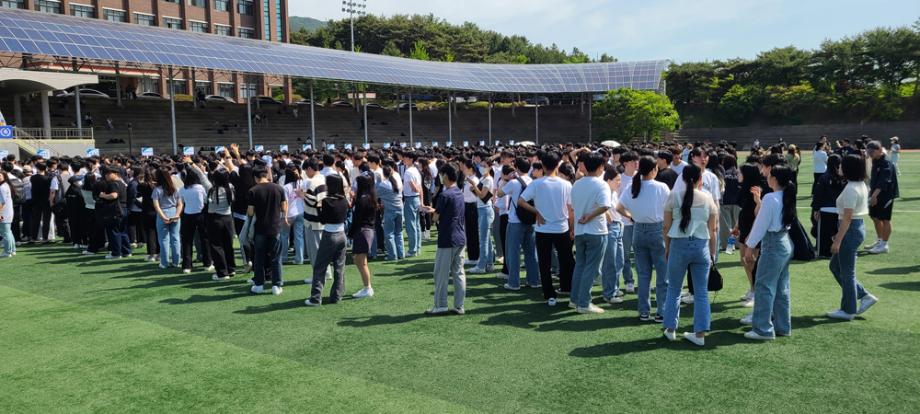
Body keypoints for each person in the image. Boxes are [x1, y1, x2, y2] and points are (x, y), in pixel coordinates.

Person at [661, 165, 718, 346]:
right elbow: (713, 229)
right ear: (700, 179)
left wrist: (667, 248)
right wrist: (713, 252)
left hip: (679, 245)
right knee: (701, 293)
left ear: (683, 179)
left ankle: (670, 329)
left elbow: (666, 227)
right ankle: (700, 334)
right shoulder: (708, 198)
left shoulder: (674, 196)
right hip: (701, 247)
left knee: (674, 289)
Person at [742, 166, 796, 341]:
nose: (767, 177)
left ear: (774, 179)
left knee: (764, 286)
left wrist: (749, 247)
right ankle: (782, 326)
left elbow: (760, 225)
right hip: (784, 242)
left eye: (770, 175)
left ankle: (762, 329)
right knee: (781, 288)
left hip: (773, 244)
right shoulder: (785, 195)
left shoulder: (771, 198)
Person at [617, 156, 671, 321]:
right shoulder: (661, 187)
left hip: (638, 230)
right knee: (663, 275)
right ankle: (661, 311)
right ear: (654, 169)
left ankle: (644, 311)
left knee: (643, 274)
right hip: (657, 231)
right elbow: (670, 210)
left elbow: (619, 207)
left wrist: (632, 216)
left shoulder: (633, 186)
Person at [519, 151, 575, 307]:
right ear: (557, 165)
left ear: (543, 166)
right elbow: (571, 210)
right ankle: (567, 287)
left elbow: (521, 201)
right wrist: (572, 228)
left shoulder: (536, 183)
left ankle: (549, 293)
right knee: (566, 260)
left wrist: (536, 211)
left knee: (545, 263)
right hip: (561, 228)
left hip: (543, 229)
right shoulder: (566, 184)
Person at [827, 155, 879, 320]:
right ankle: (862, 296)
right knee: (836, 267)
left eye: (841, 165)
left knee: (847, 273)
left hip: (851, 230)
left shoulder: (851, 188)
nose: (839, 167)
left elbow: (847, 217)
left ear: (848, 168)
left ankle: (849, 310)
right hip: (854, 228)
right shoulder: (859, 184)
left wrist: (838, 240)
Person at [421, 163, 466, 315]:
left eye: (441, 174)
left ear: (445, 175)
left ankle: (441, 305)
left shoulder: (445, 195)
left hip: (447, 238)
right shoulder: (459, 192)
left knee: (441, 274)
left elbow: (435, 218)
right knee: (458, 273)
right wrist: (434, 211)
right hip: (460, 237)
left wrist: (431, 212)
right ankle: (459, 305)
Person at [569, 152, 610, 314]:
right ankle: (584, 303)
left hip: (580, 231)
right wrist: (590, 216)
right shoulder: (601, 184)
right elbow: (605, 205)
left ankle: (574, 299)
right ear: (600, 167)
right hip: (596, 231)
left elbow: (573, 208)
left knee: (580, 265)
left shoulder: (577, 184)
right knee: (591, 268)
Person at [305, 175, 349, 306]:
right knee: (339, 267)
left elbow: (323, 220)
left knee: (320, 267)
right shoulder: (344, 200)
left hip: (329, 235)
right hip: (342, 235)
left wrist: (319, 208)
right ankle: (337, 296)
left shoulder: (326, 201)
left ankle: (315, 298)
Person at [499, 157, 539, 290]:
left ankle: (514, 282)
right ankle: (533, 280)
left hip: (515, 221)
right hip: (531, 220)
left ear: (516, 168)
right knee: (531, 252)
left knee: (513, 253)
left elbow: (499, 194)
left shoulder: (513, 182)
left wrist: (505, 179)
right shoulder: (533, 181)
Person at [247, 165, 287, 295]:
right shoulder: (278, 188)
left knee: (259, 257)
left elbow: (250, 211)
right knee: (276, 257)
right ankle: (277, 285)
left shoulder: (253, 190)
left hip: (260, 228)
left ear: (255, 177)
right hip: (275, 227)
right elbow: (284, 207)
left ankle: (259, 284)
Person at [178, 160, 213, 274]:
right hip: (201, 214)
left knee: (187, 241)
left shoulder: (182, 189)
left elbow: (181, 202)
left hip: (187, 215)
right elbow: (205, 200)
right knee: (205, 239)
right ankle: (207, 263)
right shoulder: (200, 187)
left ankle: (187, 266)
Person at [865, 141, 898, 254]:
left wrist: (874, 196)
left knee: (885, 219)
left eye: (872, 151)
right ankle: (879, 241)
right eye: (868, 151)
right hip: (875, 193)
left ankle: (884, 244)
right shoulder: (875, 160)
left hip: (885, 195)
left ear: (879, 150)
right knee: (874, 217)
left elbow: (883, 182)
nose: (870, 154)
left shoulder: (886, 163)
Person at [811, 154, 845, 258]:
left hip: (825, 210)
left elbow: (818, 194)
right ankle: (837, 251)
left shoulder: (824, 177)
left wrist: (816, 209)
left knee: (824, 233)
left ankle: (824, 252)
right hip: (840, 210)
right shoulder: (844, 178)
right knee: (837, 231)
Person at [350, 174, 378, 299]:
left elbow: (357, 218)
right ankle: (367, 287)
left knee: (361, 262)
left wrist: (350, 233)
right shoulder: (371, 197)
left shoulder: (363, 199)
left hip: (363, 230)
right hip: (367, 230)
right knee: (359, 260)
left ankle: (368, 287)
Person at [600, 165, 625, 304]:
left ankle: (613, 288)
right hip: (610, 228)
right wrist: (606, 214)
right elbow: (599, 205)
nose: (619, 183)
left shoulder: (613, 192)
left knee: (619, 260)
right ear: (609, 180)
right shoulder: (604, 192)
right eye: (617, 180)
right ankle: (609, 293)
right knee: (610, 262)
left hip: (618, 226)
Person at [206, 169, 237, 281]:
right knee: (228, 245)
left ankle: (222, 273)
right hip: (228, 219)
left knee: (217, 246)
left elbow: (203, 179)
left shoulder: (212, 190)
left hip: (215, 219)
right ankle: (231, 268)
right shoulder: (230, 187)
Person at [301, 159, 328, 282]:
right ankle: (326, 273)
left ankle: (318, 276)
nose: (306, 173)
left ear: (310, 169)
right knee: (322, 250)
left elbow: (315, 202)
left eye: (306, 170)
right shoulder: (323, 178)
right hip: (322, 220)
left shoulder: (312, 182)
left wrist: (302, 194)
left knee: (315, 251)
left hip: (313, 220)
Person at [466, 159, 495, 274]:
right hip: (482, 208)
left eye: (484, 166)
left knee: (483, 240)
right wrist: (474, 189)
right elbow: (481, 195)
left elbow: (483, 196)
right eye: (481, 165)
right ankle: (489, 264)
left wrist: (474, 186)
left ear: (489, 167)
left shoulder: (488, 179)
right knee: (487, 239)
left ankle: (481, 265)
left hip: (485, 210)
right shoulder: (483, 178)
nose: (481, 168)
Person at [98, 167, 131, 259]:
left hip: (116, 210)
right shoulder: (122, 183)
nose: (106, 175)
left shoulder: (113, 184)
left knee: (114, 232)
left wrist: (103, 195)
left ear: (116, 174)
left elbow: (114, 195)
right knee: (123, 232)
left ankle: (116, 253)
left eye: (109, 173)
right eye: (106, 173)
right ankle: (126, 251)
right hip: (123, 209)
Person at [152, 167, 182, 269]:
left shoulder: (157, 190)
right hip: (174, 211)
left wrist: (163, 217)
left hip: (163, 212)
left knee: (164, 239)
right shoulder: (175, 188)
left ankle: (164, 262)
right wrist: (177, 214)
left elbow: (156, 206)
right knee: (175, 238)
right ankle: (176, 261)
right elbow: (180, 204)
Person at [377, 163, 405, 261]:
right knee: (398, 232)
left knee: (389, 234)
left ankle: (392, 255)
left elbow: (375, 194)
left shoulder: (383, 184)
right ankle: (401, 254)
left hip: (390, 210)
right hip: (400, 209)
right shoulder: (396, 182)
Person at [280, 165, 305, 265]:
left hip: (289, 214)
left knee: (284, 236)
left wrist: (285, 216)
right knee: (299, 236)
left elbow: (285, 203)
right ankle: (299, 258)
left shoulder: (286, 187)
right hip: (301, 212)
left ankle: (284, 257)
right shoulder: (302, 183)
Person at [401, 152, 423, 257]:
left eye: (405, 157)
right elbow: (419, 188)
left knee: (411, 226)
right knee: (416, 225)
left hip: (410, 198)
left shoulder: (408, 171)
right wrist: (421, 201)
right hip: (416, 198)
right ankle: (417, 248)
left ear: (410, 159)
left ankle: (412, 250)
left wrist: (416, 190)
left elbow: (414, 188)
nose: (403, 159)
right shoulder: (415, 170)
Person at [720, 154, 740, 253]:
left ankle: (729, 246)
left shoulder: (723, 174)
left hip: (725, 202)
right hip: (738, 202)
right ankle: (737, 243)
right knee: (737, 225)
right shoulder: (739, 173)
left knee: (727, 227)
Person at [0, 170, 15, 257]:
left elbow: (2, 202)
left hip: (4, 212)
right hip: (7, 212)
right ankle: (12, 250)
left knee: (5, 232)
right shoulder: (6, 185)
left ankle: (7, 251)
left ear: (4, 176)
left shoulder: (2, 187)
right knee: (8, 232)